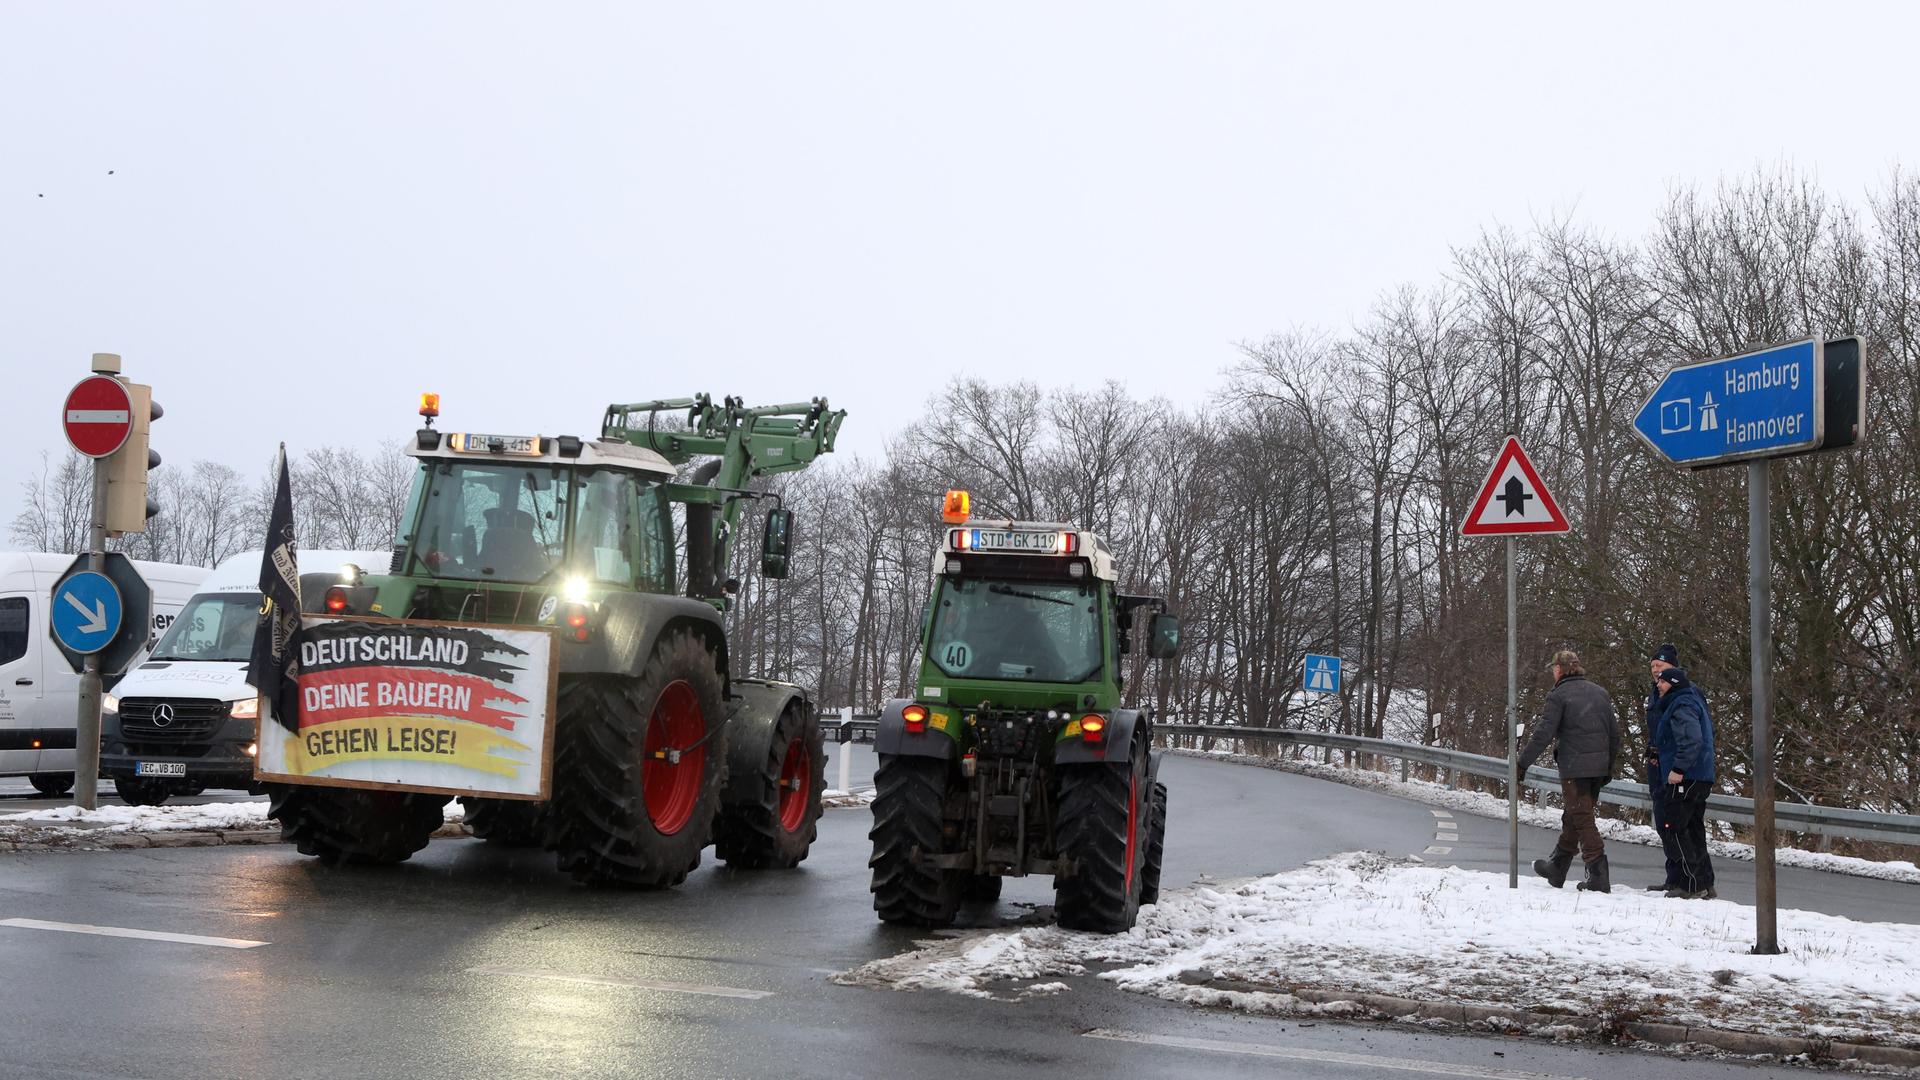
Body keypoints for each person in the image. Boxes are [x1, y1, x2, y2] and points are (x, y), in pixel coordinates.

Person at [1518, 649, 1621, 893]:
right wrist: (1607, 766)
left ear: (1559, 669)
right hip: (1598, 767)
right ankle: (1558, 866)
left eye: (1553, 668)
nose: (1553, 672)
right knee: (1574, 815)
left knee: (1582, 818)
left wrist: (1522, 764)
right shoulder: (1600, 692)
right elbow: (1614, 734)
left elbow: (1544, 733)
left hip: (1576, 768)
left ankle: (1598, 874)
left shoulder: (1559, 695)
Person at [1652, 666, 1717, 899]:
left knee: (1675, 828)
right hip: (1701, 775)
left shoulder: (1681, 704)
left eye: (1663, 681)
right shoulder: (1691, 701)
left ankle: (1690, 884)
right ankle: (1705, 883)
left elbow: (1691, 739)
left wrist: (1678, 768)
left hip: (1686, 776)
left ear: (1674, 684)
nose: (1658, 685)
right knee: (1694, 829)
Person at [1642, 643, 1687, 891]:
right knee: (1663, 822)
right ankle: (1673, 877)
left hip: (1674, 768)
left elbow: (1687, 735)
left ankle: (1687, 879)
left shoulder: (1682, 695)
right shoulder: (1655, 693)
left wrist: (1678, 763)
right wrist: (1652, 750)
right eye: (1652, 666)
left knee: (1676, 824)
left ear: (1672, 668)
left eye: (1660, 665)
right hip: (1657, 766)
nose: (1655, 670)